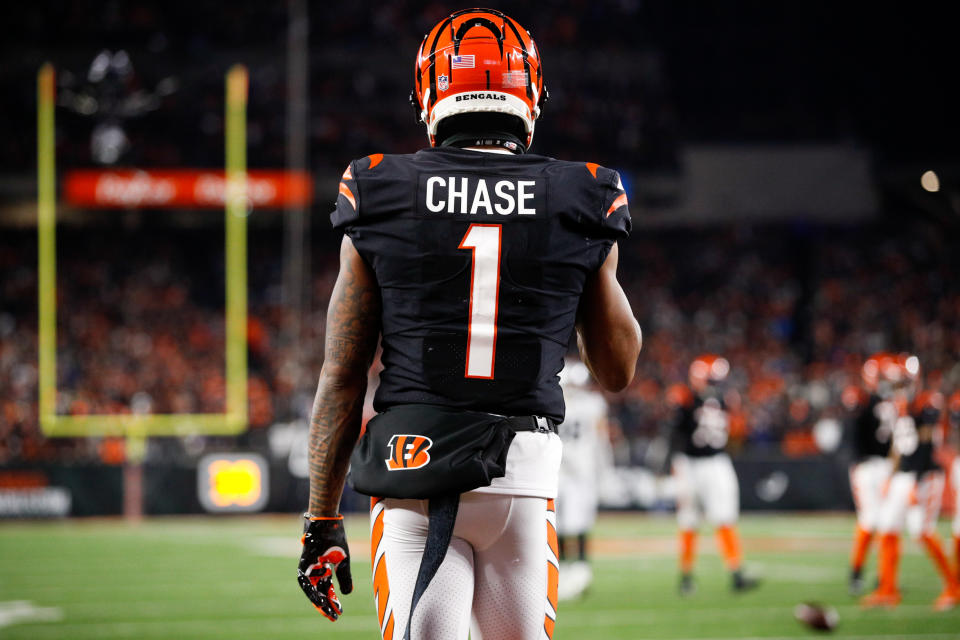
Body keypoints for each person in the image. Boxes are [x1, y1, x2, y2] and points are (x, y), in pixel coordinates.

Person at [296, 9, 642, 640]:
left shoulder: (380, 186)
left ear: (429, 91)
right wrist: (594, 255)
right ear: (530, 92)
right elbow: (617, 370)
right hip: (524, 480)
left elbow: (342, 373)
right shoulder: (583, 193)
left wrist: (321, 518)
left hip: (415, 477)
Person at [860, 354, 960, 610]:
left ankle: (954, 587)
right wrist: (891, 477)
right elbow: (898, 445)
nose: (894, 387)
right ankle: (887, 590)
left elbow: (926, 445)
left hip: (925, 475)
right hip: (903, 476)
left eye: (898, 382)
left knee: (922, 532)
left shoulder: (927, 402)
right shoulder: (898, 404)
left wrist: (916, 481)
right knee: (887, 528)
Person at [666, 354, 758, 596]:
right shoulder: (686, 400)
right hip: (689, 463)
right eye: (712, 380)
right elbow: (675, 434)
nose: (716, 385)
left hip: (717, 461)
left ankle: (736, 572)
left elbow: (736, 431)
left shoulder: (725, 400)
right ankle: (686, 575)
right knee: (688, 520)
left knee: (725, 517)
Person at [555, 359, 612, 601]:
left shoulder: (556, 403)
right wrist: (605, 469)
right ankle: (578, 569)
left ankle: (570, 570)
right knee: (575, 524)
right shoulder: (593, 405)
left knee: (561, 523)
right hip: (578, 471)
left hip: (562, 470)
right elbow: (602, 440)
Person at [843, 352, 897, 595]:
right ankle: (856, 570)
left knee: (889, 523)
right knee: (870, 520)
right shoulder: (863, 400)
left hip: (887, 465)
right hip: (866, 466)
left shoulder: (894, 400)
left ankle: (884, 577)